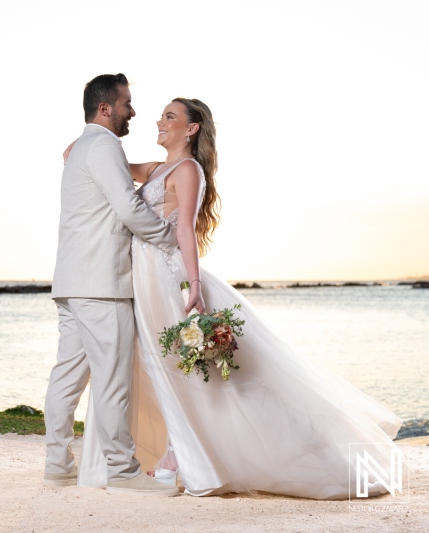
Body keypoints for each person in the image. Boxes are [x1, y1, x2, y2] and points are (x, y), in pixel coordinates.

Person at [69, 97, 403, 499]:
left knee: (175, 366)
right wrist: (81, 149)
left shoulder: (188, 170)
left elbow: (185, 231)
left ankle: (180, 456)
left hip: (164, 276)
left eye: (169, 116)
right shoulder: (159, 169)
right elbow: (114, 166)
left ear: (190, 129)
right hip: (140, 275)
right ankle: (156, 454)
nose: (159, 121)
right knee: (152, 365)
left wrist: (193, 284)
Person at [44, 74, 180, 496]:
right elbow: (126, 207)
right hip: (102, 283)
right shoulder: (103, 146)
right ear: (106, 108)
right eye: (127, 103)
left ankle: (56, 464)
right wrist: (169, 237)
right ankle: (121, 471)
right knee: (112, 379)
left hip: (71, 281)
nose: (133, 111)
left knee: (67, 376)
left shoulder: (85, 146)